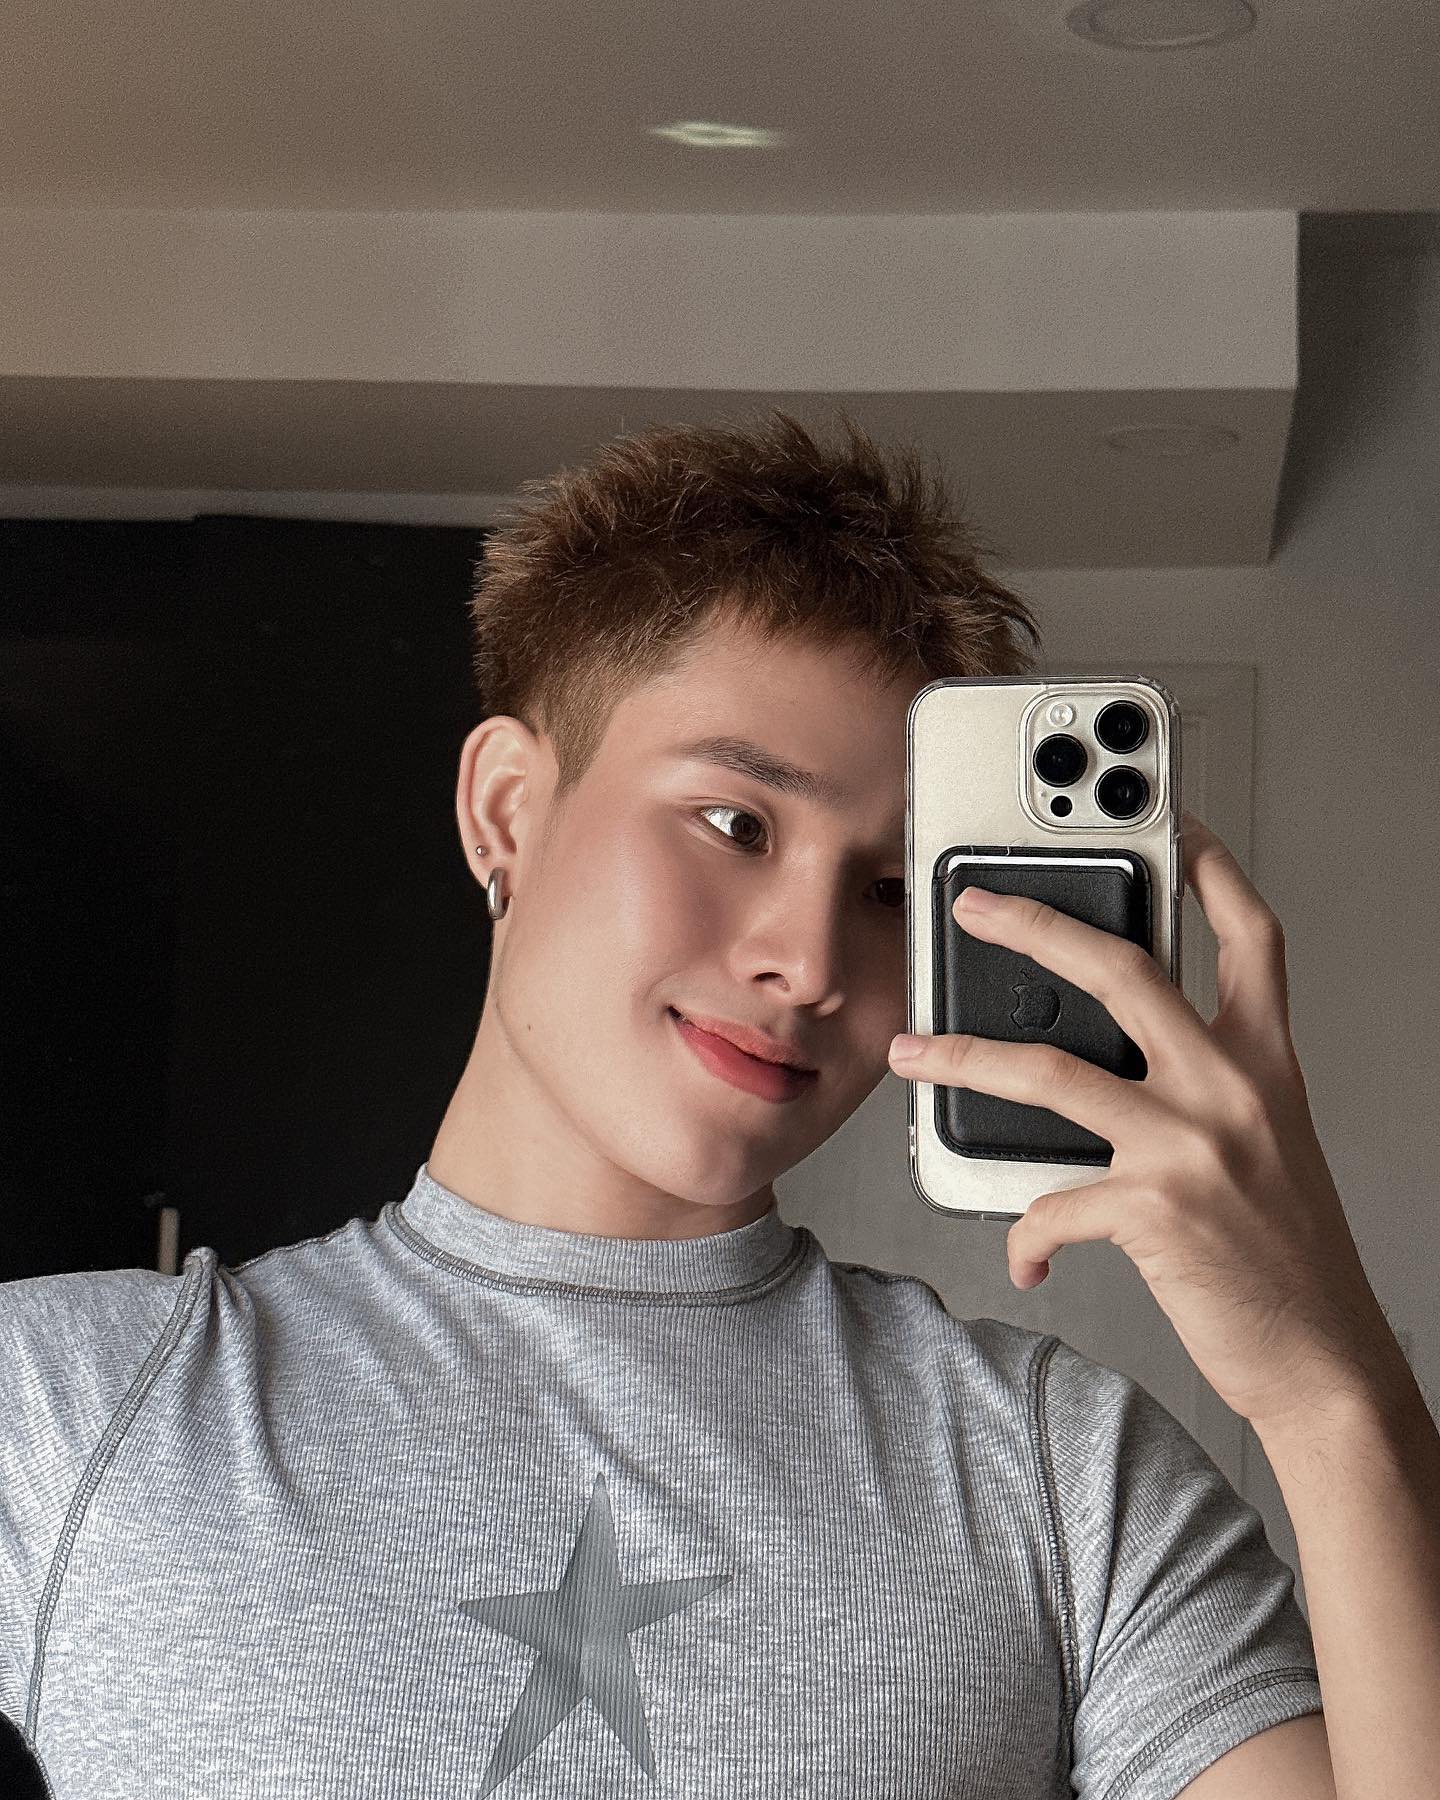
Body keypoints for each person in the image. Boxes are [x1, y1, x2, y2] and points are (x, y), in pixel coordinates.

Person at [2, 410, 1322, 1797]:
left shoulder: (1060, 1472)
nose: (809, 962)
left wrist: (1319, 1380)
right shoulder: (68, 1409)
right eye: (736, 824)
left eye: (888, 891)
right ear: (508, 810)